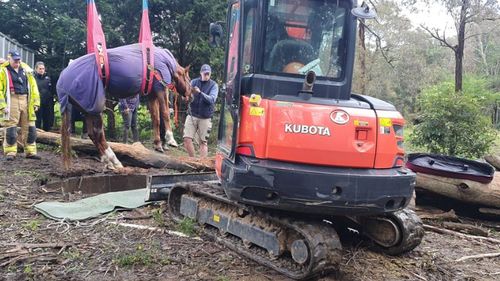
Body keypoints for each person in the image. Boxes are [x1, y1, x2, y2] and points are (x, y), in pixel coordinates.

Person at [0, 50, 41, 160]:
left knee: (30, 126)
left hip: (26, 99)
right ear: (9, 59)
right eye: (15, 61)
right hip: (11, 99)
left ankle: (31, 151)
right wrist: (2, 105)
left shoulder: (27, 70)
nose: (17, 63)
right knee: (11, 127)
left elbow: (33, 87)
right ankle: (10, 152)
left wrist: (36, 103)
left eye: (18, 60)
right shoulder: (3, 71)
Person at [183, 64, 218, 158]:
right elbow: (186, 94)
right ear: (200, 73)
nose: (206, 75)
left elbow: (212, 100)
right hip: (192, 115)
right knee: (187, 139)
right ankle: (193, 161)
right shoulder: (193, 82)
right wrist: (186, 97)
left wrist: (200, 93)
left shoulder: (214, 85)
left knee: (203, 142)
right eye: (205, 73)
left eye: (208, 74)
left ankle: (202, 163)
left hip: (205, 118)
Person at [34, 61, 55, 131]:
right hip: (37, 103)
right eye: (40, 69)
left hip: (47, 102)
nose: (42, 70)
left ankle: (47, 135)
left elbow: (52, 90)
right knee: (37, 120)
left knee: (47, 119)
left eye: (43, 68)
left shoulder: (48, 78)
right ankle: (37, 136)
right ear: (36, 69)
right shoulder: (33, 79)